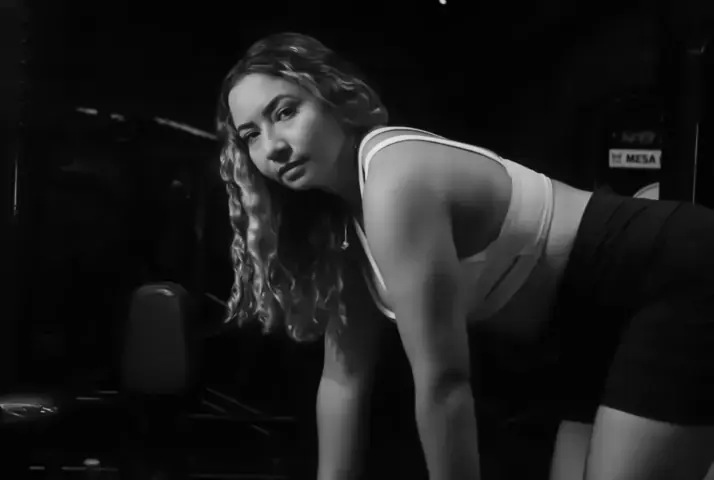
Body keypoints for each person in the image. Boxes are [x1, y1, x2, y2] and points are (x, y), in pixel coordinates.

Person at [215, 32, 714, 480]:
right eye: (251, 135)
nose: (272, 147)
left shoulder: (395, 177)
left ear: (334, 99)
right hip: (585, 325)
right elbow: (343, 380)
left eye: (285, 112)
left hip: (671, 273)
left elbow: (445, 382)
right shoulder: (347, 223)